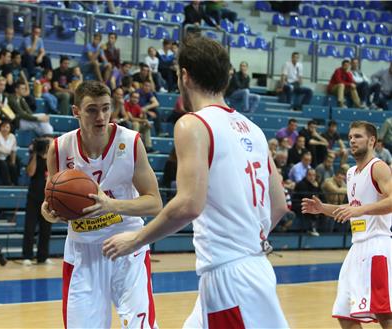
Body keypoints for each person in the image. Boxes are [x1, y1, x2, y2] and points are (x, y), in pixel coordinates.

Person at [102, 35, 289, 329]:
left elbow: (189, 204)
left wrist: (136, 240)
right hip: (254, 267)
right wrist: (249, 241)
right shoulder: (254, 130)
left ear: (185, 76)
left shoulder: (193, 124)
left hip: (229, 278)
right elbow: (279, 205)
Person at [40, 81, 162, 328]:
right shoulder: (59, 148)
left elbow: (154, 203)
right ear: (76, 111)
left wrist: (111, 205)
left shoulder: (130, 142)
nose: (101, 116)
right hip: (82, 251)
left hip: (127, 245)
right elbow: (48, 206)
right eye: (92, 110)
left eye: (106, 108)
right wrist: (50, 213)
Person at [302, 121, 392, 327]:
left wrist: (359, 209)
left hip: (376, 246)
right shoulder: (351, 173)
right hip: (357, 248)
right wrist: (323, 208)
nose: (352, 140)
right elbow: (352, 209)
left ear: (372, 141)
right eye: (350, 136)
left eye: (358, 136)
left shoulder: (378, 167)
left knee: (384, 314)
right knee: (344, 313)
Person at [22, 137, 52, 265]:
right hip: (33, 197)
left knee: (46, 229)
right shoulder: (35, 158)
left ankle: (43, 256)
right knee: (30, 228)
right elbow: (30, 172)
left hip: (47, 199)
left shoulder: (52, 160)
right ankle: (27, 256)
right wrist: (34, 153)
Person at [0, 120, 19, 185]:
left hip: (6, 157)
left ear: (10, 129)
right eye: (3, 127)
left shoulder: (12, 136)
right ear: (0, 127)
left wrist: (13, 162)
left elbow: (13, 151)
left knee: (15, 165)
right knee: (3, 164)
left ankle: (15, 184)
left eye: (7, 127)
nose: (5, 129)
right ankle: (7, 183)